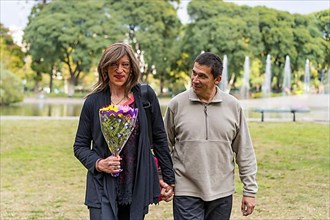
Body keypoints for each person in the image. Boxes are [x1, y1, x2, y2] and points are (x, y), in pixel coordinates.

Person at [73, 43, 175, 220]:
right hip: (102, 185)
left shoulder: (145, 96)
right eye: (114, 64)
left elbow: (159, 139)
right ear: (105, 68)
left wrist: (168, 178)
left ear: (132, 68)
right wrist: (99, 163)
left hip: (136, 184)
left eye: (125, 64)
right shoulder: (93, 102)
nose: (119, 70)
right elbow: (79, 146)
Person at [164, 52, 258, 220]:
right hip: (186, 189)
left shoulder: (233, 106)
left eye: (202, 76)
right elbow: (163, 146)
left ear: (217, 79)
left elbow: (245, 151)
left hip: (222, 192)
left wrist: (250, 191)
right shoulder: (176, 105)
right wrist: (162, 177)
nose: (195, 79)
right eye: (194, 73)